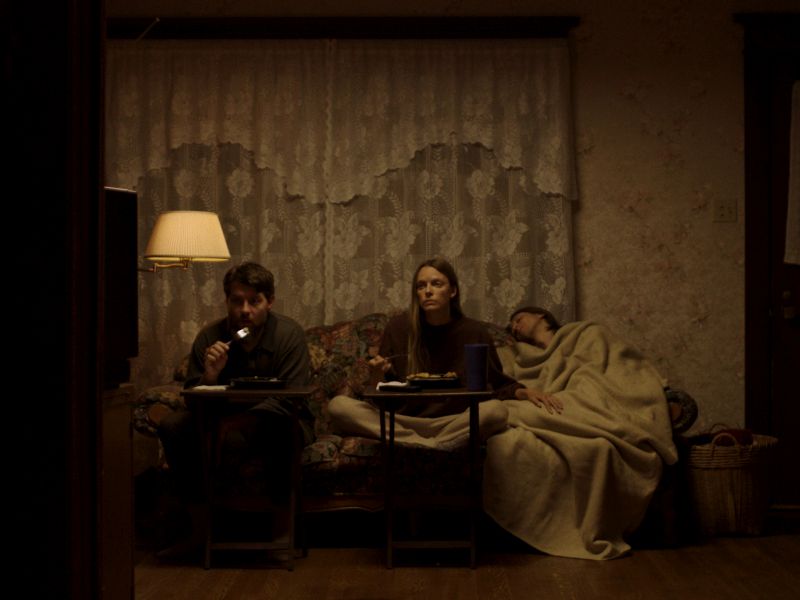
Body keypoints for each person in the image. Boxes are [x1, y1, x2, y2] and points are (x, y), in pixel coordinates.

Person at [157, 262, 312, 556]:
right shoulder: (210, 337)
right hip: (222, 421)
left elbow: (291, 398)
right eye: (237, 301)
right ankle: (200, 531)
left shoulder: (288, 334)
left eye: (254, 301)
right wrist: (210, 376)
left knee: (282, 430)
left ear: (270, 302)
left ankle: (282, 532)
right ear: (227, 301)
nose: (245, 310)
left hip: (278, 419)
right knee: (173, 426)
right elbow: (191, 400)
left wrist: (237, 423)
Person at [328, 257, 518, 448]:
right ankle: (433, 444)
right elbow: (380, 396)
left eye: (436, 284)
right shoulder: (398, 327)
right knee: (338, 406)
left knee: (496, 411)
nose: (428, 291)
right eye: (421, 286)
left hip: (455, 421)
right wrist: (377, 372)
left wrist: (523, 392)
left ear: (452, 291)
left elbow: (497, 384)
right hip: (402, 421)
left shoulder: (474, 332)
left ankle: (419, 443)